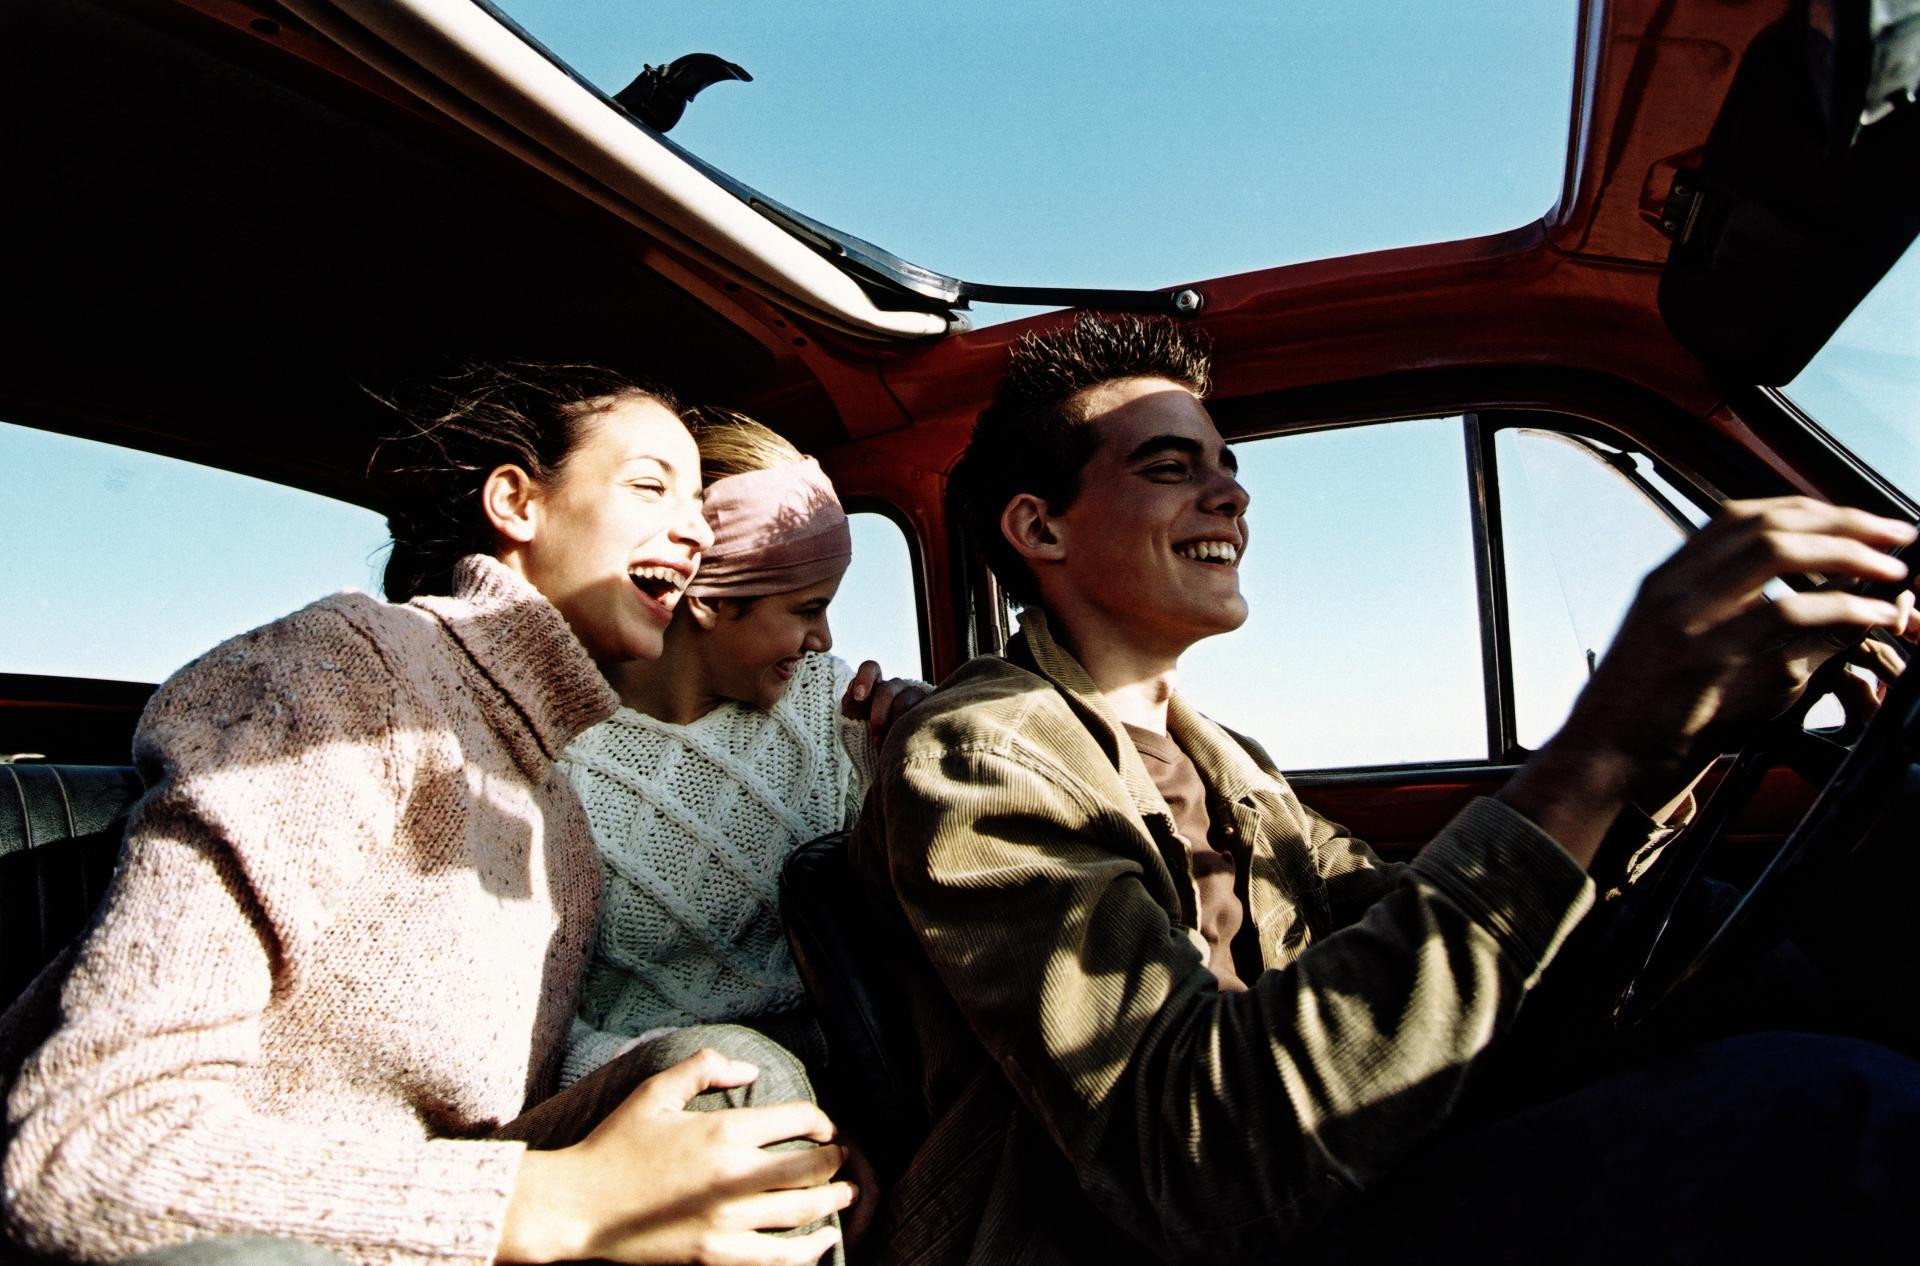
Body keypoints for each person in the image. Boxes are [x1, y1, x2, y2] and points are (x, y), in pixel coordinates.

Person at [848, 314, 1920, 1265]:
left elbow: (1399, 930)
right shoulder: (978, 756)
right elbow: (1196, 1164)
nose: (1232, 493)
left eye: (1226, 465)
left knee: (1731, 955)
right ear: (1041, 529)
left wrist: (1664, 757)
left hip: (1339, 1165)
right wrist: (1595, 751)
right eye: (1171, 467)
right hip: (1189, 1228)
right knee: (1834, 1117)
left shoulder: (1228, 760)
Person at [1, 364, 855, 1266]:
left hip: (441, 1226)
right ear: (517, 504)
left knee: (730, 1082)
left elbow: (502, 1105)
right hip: (231, 1235)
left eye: (699, 504)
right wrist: (554, 1201)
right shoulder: (346, 677)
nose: (695, 530)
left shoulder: (556, 814)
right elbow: (80, 1154)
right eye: (651, 486)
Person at [558, 410, 927, 1087]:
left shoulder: (825, 702)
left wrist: (910, 747)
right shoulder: (566, 759)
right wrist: (669, 1076)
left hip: (863, 1064)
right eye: (807, 609)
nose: (824, 638)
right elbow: (547, 1025)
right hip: (678, 1090)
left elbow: (928, 884)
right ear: (709, 600)